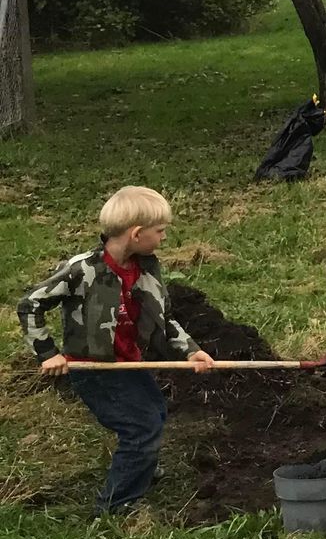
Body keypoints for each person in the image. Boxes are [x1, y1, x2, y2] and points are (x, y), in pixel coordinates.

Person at [18, 186, 217, 514]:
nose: (164, 237)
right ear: (137, 234)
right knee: (140, 428)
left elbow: (164, 319)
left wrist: (190, 351)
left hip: (129, 364)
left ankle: (141, 466)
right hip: (93, 369)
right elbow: (30, 305)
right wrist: (48, 352)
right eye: (160, 231)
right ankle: (116, 506)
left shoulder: (147, 270)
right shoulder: (83, 270)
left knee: (155, 410)